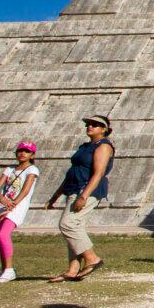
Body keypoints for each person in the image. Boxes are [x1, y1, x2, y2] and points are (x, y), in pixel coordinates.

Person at [45, 114, 115, 282]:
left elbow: (98, 173)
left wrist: (84, 196)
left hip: (87, 190)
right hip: (74, 188)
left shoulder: (104, 146)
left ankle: (92, 259)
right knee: (76, 228)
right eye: (88, 124)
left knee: (67, 224)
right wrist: (55, 196)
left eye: (95, 124)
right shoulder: (85, 146)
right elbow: (72, 172)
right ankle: (73, 269)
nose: (90, 126)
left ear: (104, 129)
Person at [0, 141, 40, 284]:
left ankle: (9, 270)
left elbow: (25, 190)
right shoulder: (9, 169)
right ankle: (4, 271)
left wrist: (12, 205)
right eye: (20, 150)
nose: (22, 153)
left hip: (17, 207)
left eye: (26, 151)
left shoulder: (32, 170)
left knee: (3, 235)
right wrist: (3, 200)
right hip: (3, 205)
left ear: (32, 155)